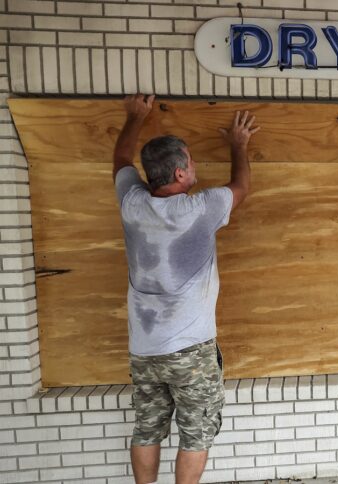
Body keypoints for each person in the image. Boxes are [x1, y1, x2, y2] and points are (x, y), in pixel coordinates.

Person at [112, 94, 260, 484]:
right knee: (195, 433)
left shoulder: (131, 202)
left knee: (147, 428)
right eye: (191, 161)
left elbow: (121, 159)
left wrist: (134, 118)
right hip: (191, 351)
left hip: (144, 349)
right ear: (180, 174)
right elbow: (242, 185)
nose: (195, 167)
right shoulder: (199, 209)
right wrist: (239, 144)